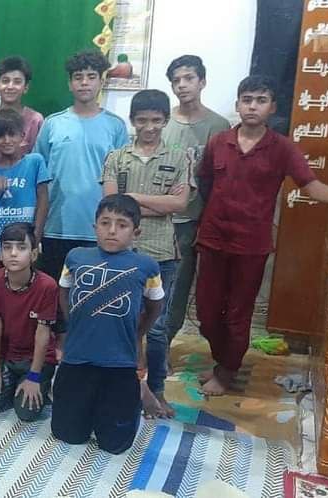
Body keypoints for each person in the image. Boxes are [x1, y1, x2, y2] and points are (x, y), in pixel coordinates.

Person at [194, 75, 328, 395]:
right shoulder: (219, 142)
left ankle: (227, 371)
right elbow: (204, 182)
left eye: (261, 100)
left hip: (251, 246)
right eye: (247, 100)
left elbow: (311, 186)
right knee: (206, 313)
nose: (252, 106)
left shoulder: (282, 148)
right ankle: (221, 361)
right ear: (237, 104)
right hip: (213, 239)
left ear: (272, 107)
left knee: (237, 314)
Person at [52, 194, 164, 454]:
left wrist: (138, 332)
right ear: (95, 227)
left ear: (136, 232)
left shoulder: (146, 266)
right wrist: (74, 323)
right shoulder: (76, 257)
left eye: (122, 225)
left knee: (115, 445)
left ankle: (136, 396)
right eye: (105, 223)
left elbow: (155, 306)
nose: (112, 230)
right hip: (77, 358)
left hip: (120, 364)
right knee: (68, 435)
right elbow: (64, 293)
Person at [101, 89, 190, 417]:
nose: (149, 127)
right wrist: (158, 202)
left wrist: (133, 199)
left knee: (156, 327)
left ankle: (157, 391)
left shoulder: (179, 158)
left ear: (165, 120)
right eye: (142, 120)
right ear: (132, 121)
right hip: (121, 254)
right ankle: (122, 387)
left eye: (156, 120)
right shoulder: (117, 158)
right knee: (120, 321)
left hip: (161, 253)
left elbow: (179, 204)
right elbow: (110, 204)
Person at [35, 50, 128, 282]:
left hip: (100, 229)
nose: (84, 82)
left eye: (91, 76)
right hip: (56, 227)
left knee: (94, 294)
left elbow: (123, 178)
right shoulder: (52, 124)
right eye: (78, 77)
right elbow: (38, 177)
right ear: (69, 83)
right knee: (54, 294)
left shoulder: (115, 126)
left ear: (101, 81)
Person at [162, 55, 230, 349]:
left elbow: (220, 180)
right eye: (176, 80)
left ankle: (163, 345)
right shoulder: (161, 121)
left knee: (178, 286)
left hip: (192, 220)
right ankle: (141, 346)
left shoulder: (219, 125)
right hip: (157, 217)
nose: (182, 85)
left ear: (202, 82)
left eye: (188, 78)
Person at [0, 223, 57, 421]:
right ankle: (10, 379)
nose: (13, 253)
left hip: (36, 360)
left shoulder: (47, 285)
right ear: (0, 253)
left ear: (34, 254)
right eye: (7, 247)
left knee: (26, 412)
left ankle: (38, 382)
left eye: (21, 248)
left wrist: (34, 376)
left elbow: (43, 334)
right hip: (7, 357)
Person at [0, 109, 50, 280]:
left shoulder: (35, 162)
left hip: (24, 243)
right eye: (0, 136)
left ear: (22, 135)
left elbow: (43, 201)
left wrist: (35, 238)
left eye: (12, 134)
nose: (6, 140)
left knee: (24, 288)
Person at [0, 56, 44, 162]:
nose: (10, 86)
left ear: (26, 87)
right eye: (5, 81)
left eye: (17, 82)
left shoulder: (36, 120)